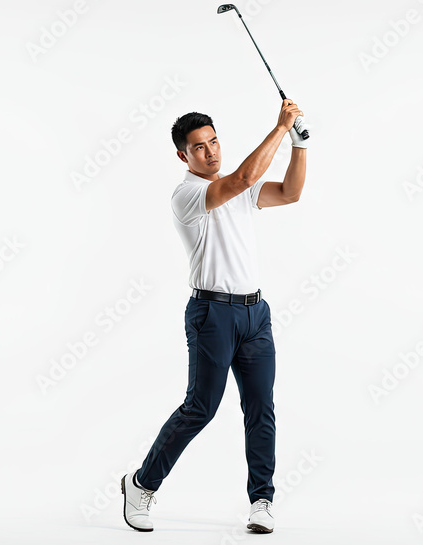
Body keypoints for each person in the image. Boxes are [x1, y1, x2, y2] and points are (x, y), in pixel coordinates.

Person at [121, 99, 308, 533]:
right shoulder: (187, 195)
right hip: (212, 313)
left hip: (255, 313)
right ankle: (141, 484)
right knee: (200, 408)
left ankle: (261, 500)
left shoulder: (239, 188)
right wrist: (280, 128)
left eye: (214, 141)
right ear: (182, 155)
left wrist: (299, 146)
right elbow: (244, 178)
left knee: (260, 407)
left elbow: (290, 193)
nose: (210, 152)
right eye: (199, 147)